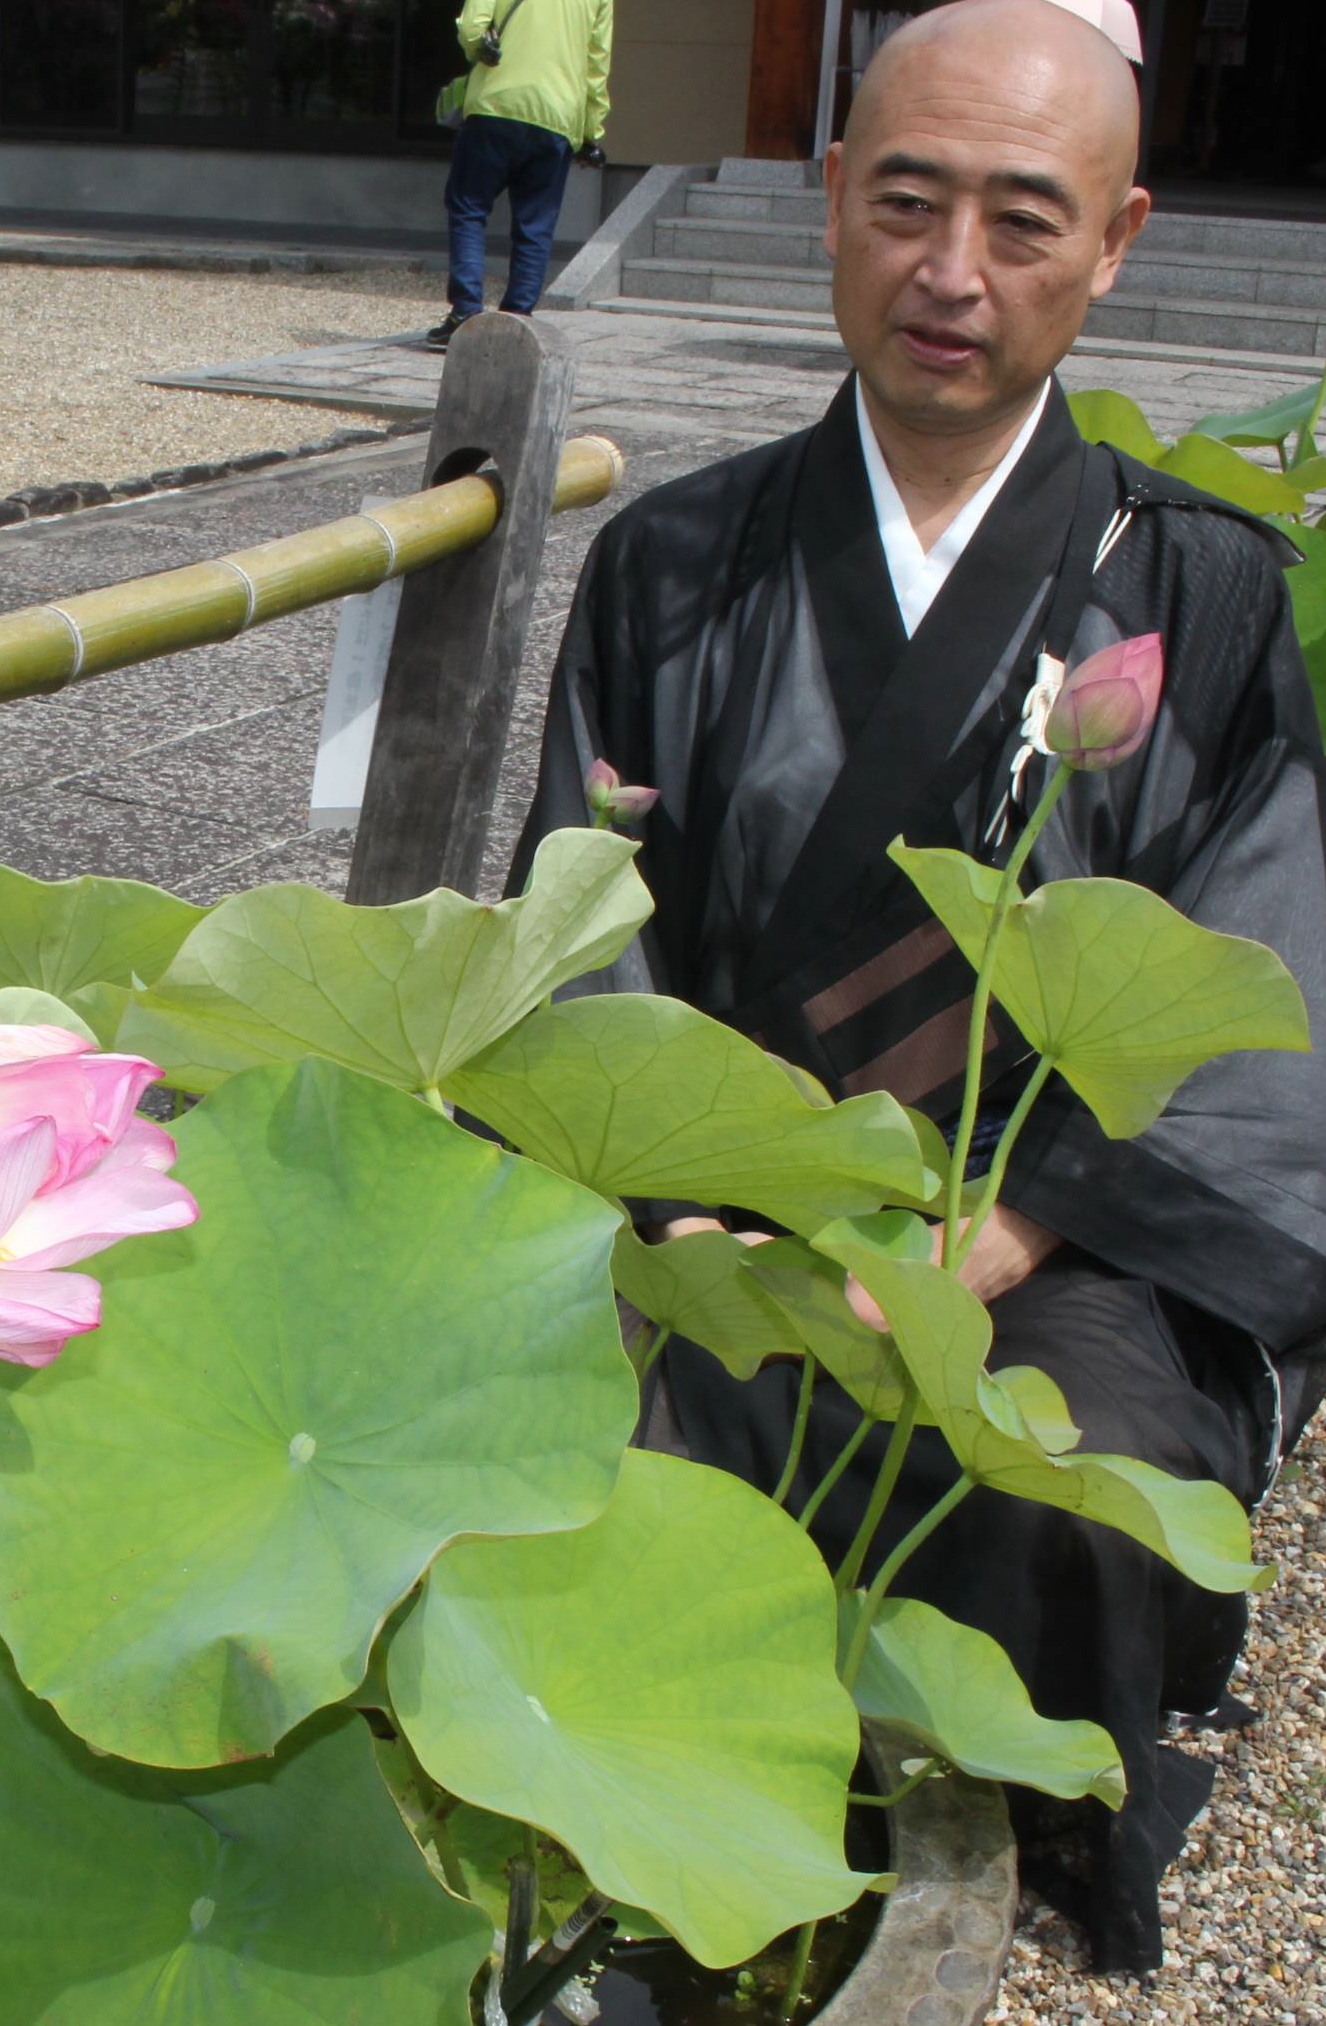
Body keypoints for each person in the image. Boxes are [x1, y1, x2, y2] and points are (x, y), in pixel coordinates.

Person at [508, 0, 1326, 1974]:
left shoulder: (1189, 589)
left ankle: (1008, 1831)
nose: (947, 274)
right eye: (902, 202)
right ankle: (604, 1820)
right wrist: (690, 1215)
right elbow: (579, 918)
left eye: (1019, 221)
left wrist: (964, 1250)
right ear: (823, 205)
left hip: (1060, 1213)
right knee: (569, 1430)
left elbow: (1254, 970)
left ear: (1112, 240)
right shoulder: (674, 563)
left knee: (1076, 1466)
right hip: (725, 1193)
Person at [428, 0, 612, 349]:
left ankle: (466, 314)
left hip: (496, 105)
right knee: (535, 224)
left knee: (468, 207)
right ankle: (517, 321)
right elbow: (596, 63)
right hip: (558, 116)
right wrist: (592, 132)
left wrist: (479, 50)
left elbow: (471, 28)